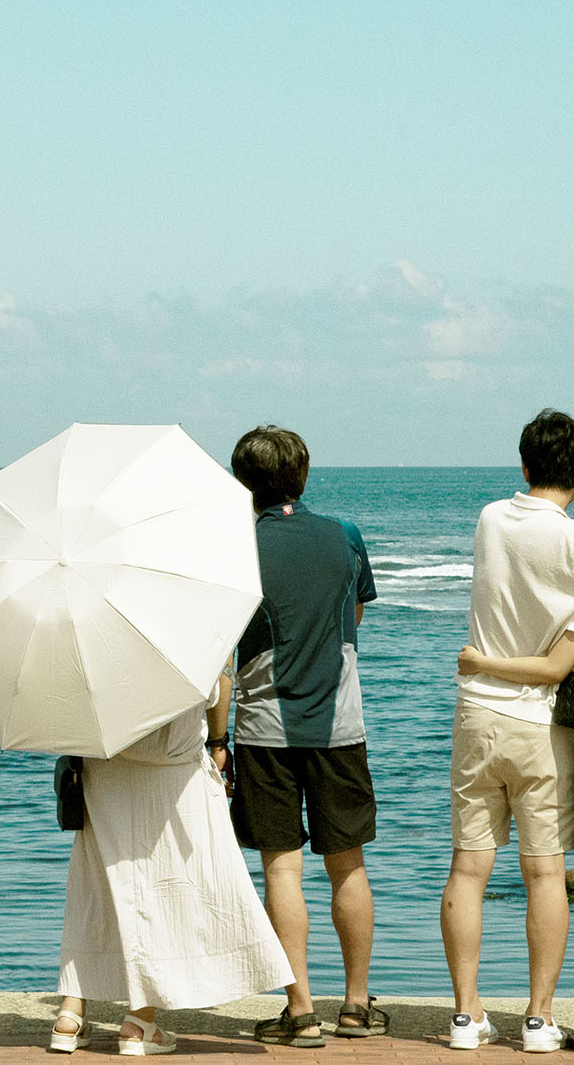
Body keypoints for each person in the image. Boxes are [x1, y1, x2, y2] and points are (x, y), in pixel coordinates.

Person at [441, 410, 574, 1052]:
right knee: (544, 874)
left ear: (523, 465)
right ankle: (538, 1018)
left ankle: (465, 1014)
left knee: (468, 868)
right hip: (540, 723)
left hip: (477, 712)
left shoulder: (489, 519)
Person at [226, 426, 386, 1046]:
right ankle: (354, 1004)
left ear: (244, 481)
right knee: (348, 865)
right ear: (304, 473)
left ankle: (300, 1011)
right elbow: (356, 615)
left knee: (282, 871)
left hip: (264, 727)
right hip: (340, 724)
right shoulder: (344, 535)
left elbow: (230, 640)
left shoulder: (236, 546)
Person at [51, 673, 293, 1055]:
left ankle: (70, 1012)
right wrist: (218, 742)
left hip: (106, 769)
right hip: (174, 775)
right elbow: (216, 687)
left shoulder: (95, 633)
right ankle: (139, 1021)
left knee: (98, 890)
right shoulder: (184, 631)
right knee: (163, 892)